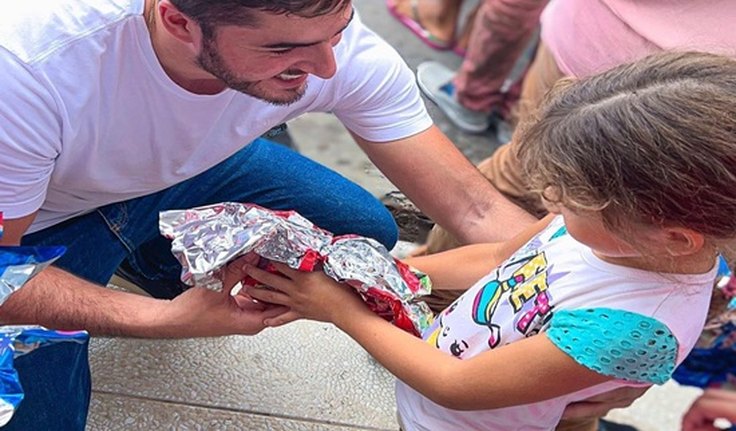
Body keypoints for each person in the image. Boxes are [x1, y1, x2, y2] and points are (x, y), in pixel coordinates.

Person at [0, 0, 539, 428]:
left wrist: (592, 287)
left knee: (360, 233)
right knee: (40, 419)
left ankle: (154, 256)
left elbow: (475, 207)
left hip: (184, 169)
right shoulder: (30, 71)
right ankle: (140, 269)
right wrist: (164, 321)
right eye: (284, 48)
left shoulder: (325, 44)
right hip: (44, 222)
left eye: (340, 30)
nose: (327, 66)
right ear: (178, 20)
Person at [241, 51, 736, 430]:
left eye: (573, 198)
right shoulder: (611, 236)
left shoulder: (632, 326)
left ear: (673, 236)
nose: (549, 199)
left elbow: (454, 387)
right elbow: (502, 256)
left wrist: (339, 310)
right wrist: (397, 278)